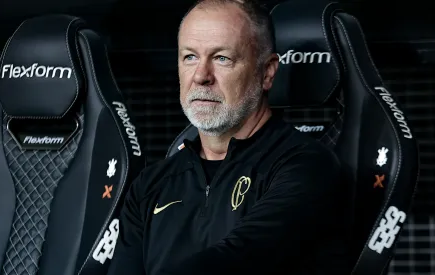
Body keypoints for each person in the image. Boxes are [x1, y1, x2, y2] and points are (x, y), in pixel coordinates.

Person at [107, 0, 350, 274]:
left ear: (267, 72)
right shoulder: (149, 186)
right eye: (190, 57)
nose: (201, 76)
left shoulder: (307, 167)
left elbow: (239, 260)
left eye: (222, 58)